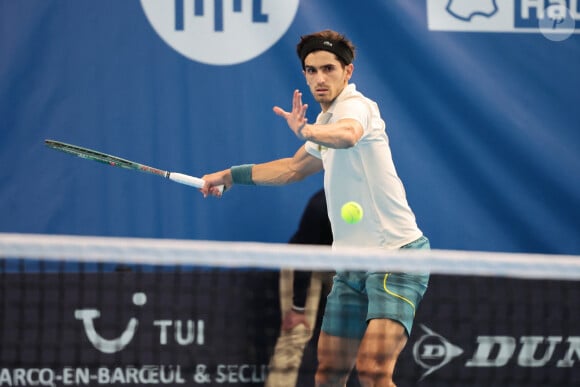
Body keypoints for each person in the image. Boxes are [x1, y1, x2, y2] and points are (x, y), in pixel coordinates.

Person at [201, 29, 430, 387]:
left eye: (328, 69)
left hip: (396, 258)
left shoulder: (357, 108)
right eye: (311, 70)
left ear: (348, 71)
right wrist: (229, 175)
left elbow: (349, 134)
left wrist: (308, 131)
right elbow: (292, 169)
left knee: (372, 370)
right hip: (351, 264)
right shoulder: (324, 123)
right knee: (328, 372)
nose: (319, 78)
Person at [266, 189, 333, 387]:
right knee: (295, 334)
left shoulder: (377, 200)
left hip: (342, 267)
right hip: (303, 265)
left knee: (342, 343)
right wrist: (298, 308)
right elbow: (303, 257)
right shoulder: (320, 204)